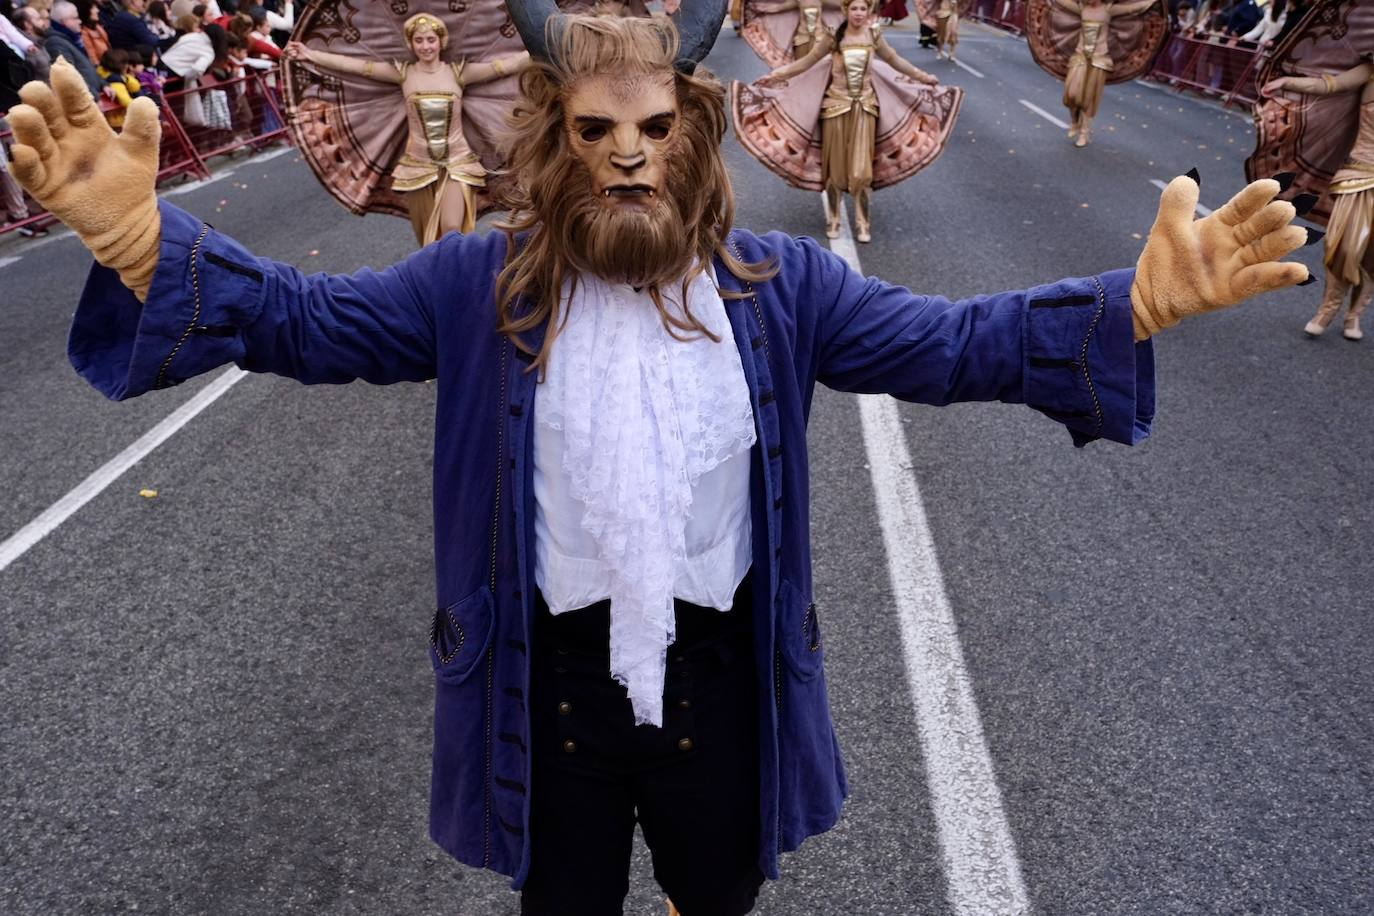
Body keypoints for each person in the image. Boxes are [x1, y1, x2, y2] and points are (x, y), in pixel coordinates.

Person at [6, 10, 1313, 913]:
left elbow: (954, 343)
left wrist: (1123, 308)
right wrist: (143, 245)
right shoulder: (473, 285)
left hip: (719, 683)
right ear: (554, 140)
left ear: (688, 133)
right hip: (545, 689)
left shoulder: (783, 286)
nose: (624, 151)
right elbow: (302, 321)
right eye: (590, 130)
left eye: (647, 127)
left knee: (716, 897)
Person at [283, 13, 529, 244]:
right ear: (411, 44)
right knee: (430, 239)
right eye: (419, 40)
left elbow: (504, 66)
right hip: (417, 168)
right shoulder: (404, 73)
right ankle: (439, 284)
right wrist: (310, 55)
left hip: (457, 163)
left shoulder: (458, 73)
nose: (425, 46)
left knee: (453, 228)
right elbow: (356, 66)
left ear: (441, 41)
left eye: (430, 40)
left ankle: (460, 276)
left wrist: (550, 46)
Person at [735, 0, 958, 242]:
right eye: (854, 9)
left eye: (863, 9)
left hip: (866, 110)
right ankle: (834, 219)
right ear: (846, 11)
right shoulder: (833, 36)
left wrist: (925, 78)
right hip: (834, 110)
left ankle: (863, 222)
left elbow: (897, 62)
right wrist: (775, 75)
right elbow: (806, 63)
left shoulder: (874, 36)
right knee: (835, 171)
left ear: (869, 12)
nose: (859, 14)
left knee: (862, 171)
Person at [1263, 57, 1374, 341]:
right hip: (1358, 175)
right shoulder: (1370, 71)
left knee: (1371, 254)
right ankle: (1328, 309)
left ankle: (1354, 315)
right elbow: (1328, 85)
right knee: (1344, 247)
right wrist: (1287, 82)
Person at [1050, 0, 1159, 147]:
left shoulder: (1109, 10)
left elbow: (1134, 8)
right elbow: (1062, 2)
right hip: (1080, 55)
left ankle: (1084, 133)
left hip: (1099, 58)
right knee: (1071, 94)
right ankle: (1075, 121)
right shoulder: (1081, 8)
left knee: (1090, 98)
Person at [46, 0, 105, 95]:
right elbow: (70, 76)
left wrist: (104, 84)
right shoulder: (56, 43)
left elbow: (88, 66)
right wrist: (94, 96)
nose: (80, 21)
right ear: (64, 21)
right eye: (76, 18)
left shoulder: (72, 38)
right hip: (86, 99)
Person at [95, 45, 140, 125]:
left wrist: (125, 78)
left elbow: (135, 86)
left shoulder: (102, 74)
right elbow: (126, 101)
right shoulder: (115, 82)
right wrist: (143, 108)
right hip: (121, 121)